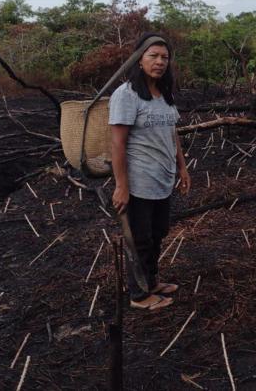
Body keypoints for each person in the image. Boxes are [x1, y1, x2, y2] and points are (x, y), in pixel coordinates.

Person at [108, 33, 191, 310]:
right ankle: (139, 295)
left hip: (163, 178)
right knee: (140, 239)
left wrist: (182, 167)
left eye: (164, 57)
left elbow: (173, 133)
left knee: (158, 233)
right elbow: (117, 143)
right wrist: (121, 185)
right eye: (153, 56)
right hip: (139, 180)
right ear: (139, 59)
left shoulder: (164, 94)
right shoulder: (126, 95)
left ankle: (152, 281)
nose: (159, 62)